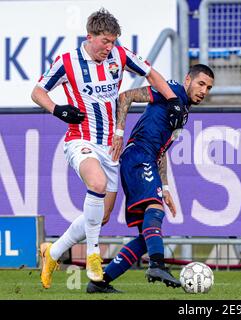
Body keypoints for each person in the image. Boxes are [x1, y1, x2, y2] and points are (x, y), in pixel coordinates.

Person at [31, 8, 185, 289]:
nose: (109, 48)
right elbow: (37, 91)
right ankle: (93, 255)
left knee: (100, 216)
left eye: (113, 41)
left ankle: (51, 253)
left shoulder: (120, 55)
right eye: (105, 42)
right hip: (81, 139)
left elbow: (153, 75)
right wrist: (58, 110)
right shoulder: (67, 62)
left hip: (110, 148)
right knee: (97, 183)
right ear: (90, 37)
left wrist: (173, 99)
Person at [86, 64, 215, 293]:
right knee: (155, 210)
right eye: (201, 84)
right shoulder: (171, 90)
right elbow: (126, 97)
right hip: (138, 154)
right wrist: (119, 134)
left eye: (209, 87)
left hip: (149, 157)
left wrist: (165, 187)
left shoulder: (183, 111)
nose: (204, 91)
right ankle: (157, 265)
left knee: (147, 236)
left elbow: (162, 151)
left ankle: (100, 282)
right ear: (188, 80)